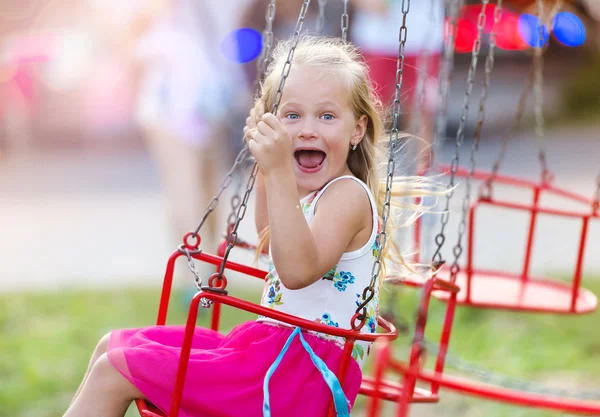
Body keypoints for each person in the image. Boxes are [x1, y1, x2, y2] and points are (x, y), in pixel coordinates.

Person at [62, 36, 441, 417]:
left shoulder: (347, 195)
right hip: (274, 357)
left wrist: (279, 170)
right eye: (292, 116)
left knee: (114, 371)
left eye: (326, 116)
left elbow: (294, 272)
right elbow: (271, 238)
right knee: (112, 346)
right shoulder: (313, 195)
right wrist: (265, 167)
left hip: (299, 379)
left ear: (357, 130)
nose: (307, 130)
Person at [351, 0, 445, 171]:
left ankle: (422, 175)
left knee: (421, 109)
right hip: (376, 38)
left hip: (422, 37)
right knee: (373, 109)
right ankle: (372, 171)